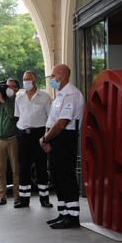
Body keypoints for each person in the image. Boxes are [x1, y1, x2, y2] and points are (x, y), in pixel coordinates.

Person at [41, 64, 84, 229]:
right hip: (55, 139)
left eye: (53, 76)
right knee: (57, 178)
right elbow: (52, 120)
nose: (51, 79)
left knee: (66, 177)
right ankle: (63, 213)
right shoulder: (59, 95)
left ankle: (73, 218)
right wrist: (47, 140)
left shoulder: (71, 94)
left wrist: (45, 137)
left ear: (63, 75)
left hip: (65, 138)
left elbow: (62, 123)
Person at [14, 70, 52, 208]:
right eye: (24, 79)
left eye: (28, 79)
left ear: (35, 80)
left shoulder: (45, 97)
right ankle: (24, 200)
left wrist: (46, 137)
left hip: (39, 134)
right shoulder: (19, 97)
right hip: (23, 134)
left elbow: (50, 118)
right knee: (23, 167)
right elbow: (18, 116)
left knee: (41, 167)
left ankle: (44, 198)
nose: (26, 82)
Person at [0, 78, 21, 205]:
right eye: (7, 86)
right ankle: (2, 195)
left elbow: (12, 116)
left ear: (16, 89)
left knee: (15, 170)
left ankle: (17, 196)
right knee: (0, 170)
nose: (9, 89)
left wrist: (3, 102)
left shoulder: (17, 101)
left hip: (12, 139)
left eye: (12, 86)